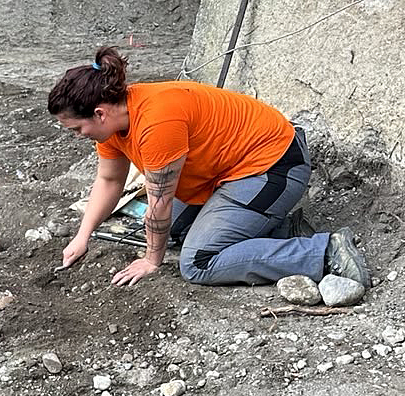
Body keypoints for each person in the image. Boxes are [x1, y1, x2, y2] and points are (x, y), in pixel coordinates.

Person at [49, 47, 369, 291]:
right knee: (173, 230)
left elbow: (158, 206)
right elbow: (108, 179)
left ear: (100, 113)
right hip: (226, 172)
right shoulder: (114, 126)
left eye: (77, 129)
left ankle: (323, 252)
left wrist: (151, 260)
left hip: (273, 167)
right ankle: (285, 232)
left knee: (197, 262)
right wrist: (83, 235)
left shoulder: (156, 122)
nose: (80, 136)